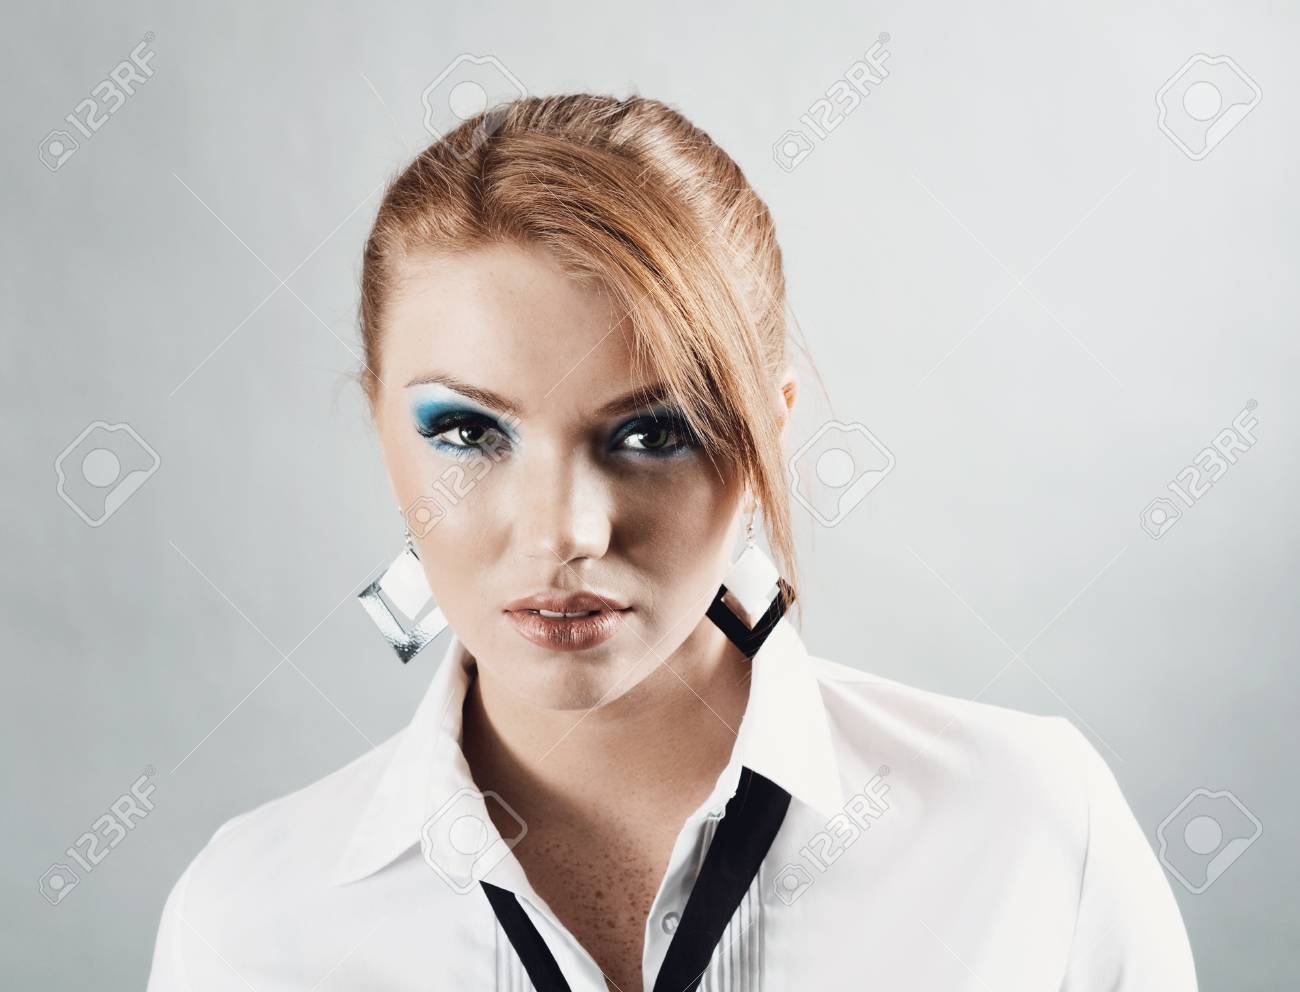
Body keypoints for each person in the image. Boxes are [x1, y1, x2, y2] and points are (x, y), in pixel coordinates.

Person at [146, 94, 1198, 991]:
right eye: (468, 432)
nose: (563, 531)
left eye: (652, 433)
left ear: (769, 431)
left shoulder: (1031, 834)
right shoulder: (250, 923)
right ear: (380, 424)